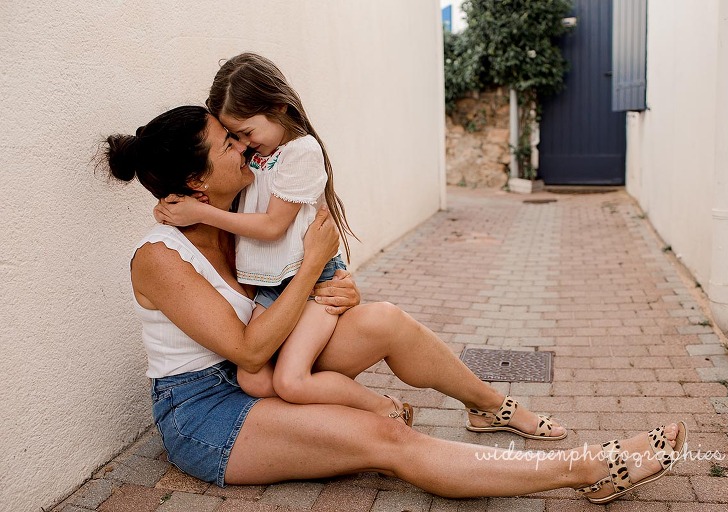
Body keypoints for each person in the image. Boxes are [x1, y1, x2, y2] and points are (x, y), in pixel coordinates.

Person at [101, 104, 687, 503]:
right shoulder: (159, 256)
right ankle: (586, 468)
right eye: (226, 143)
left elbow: (288, 297)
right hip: (208, 414)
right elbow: (250, 349)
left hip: (264, 373)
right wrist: (310, 267)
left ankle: (491, 404)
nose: (241, 146)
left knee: (383, 320)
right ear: (196, 181)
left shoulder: (238, 225)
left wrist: (337, 290)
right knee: (389, 445)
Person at [150, 53, 417, 424]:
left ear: (277, 107)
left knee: (292, 381)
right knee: (252, 379)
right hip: (270, 284)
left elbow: (274, 226)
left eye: (245, 133)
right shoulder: (262, 154)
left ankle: (382, 409)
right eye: (232, 138)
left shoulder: (301, 153)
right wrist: (178, 205)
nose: (242, 145)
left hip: (309, 284)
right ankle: (325, 411)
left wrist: (200, 211)